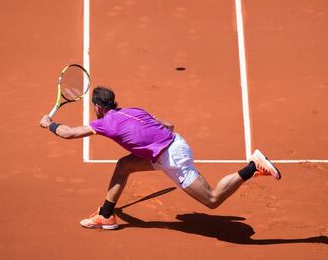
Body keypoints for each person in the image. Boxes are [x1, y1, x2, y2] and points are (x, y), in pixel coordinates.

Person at [40, 86, 281, 230]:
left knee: (212, 199)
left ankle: (253, 166)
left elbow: (69, 133)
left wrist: (49, 125)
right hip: (174, 143)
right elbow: (168, 124)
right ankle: (106, 215)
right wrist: (145, 143)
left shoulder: (106, 123)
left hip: (171, 157)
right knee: (124, 165)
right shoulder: (133, 110)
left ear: (97, 107)